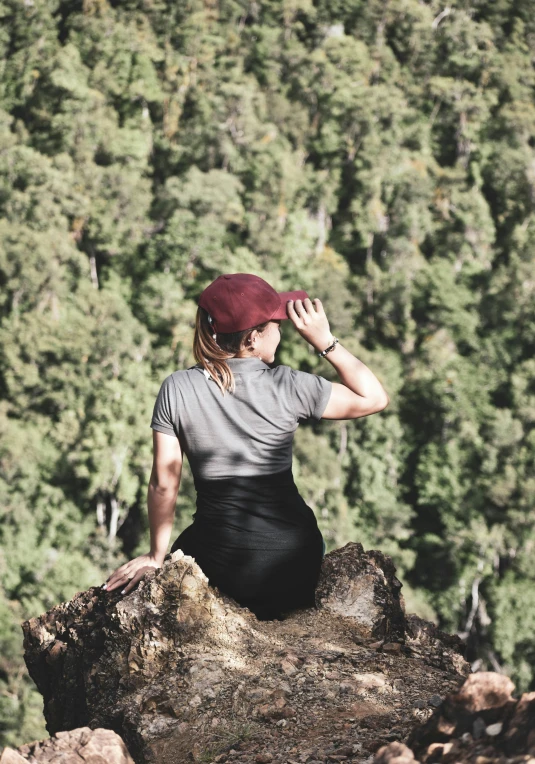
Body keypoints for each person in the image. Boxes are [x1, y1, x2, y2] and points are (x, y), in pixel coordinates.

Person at [103, 273, 389, 620]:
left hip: (223, 567)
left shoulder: (177, 388)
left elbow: (164, 483)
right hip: (295, 567)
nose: (282, 331)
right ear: (253, 339)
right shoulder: (289, 385)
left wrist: (155, 556)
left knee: (187, 550)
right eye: (276, 325)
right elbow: (374, 397)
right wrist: (325, 342)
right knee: (311, 541)